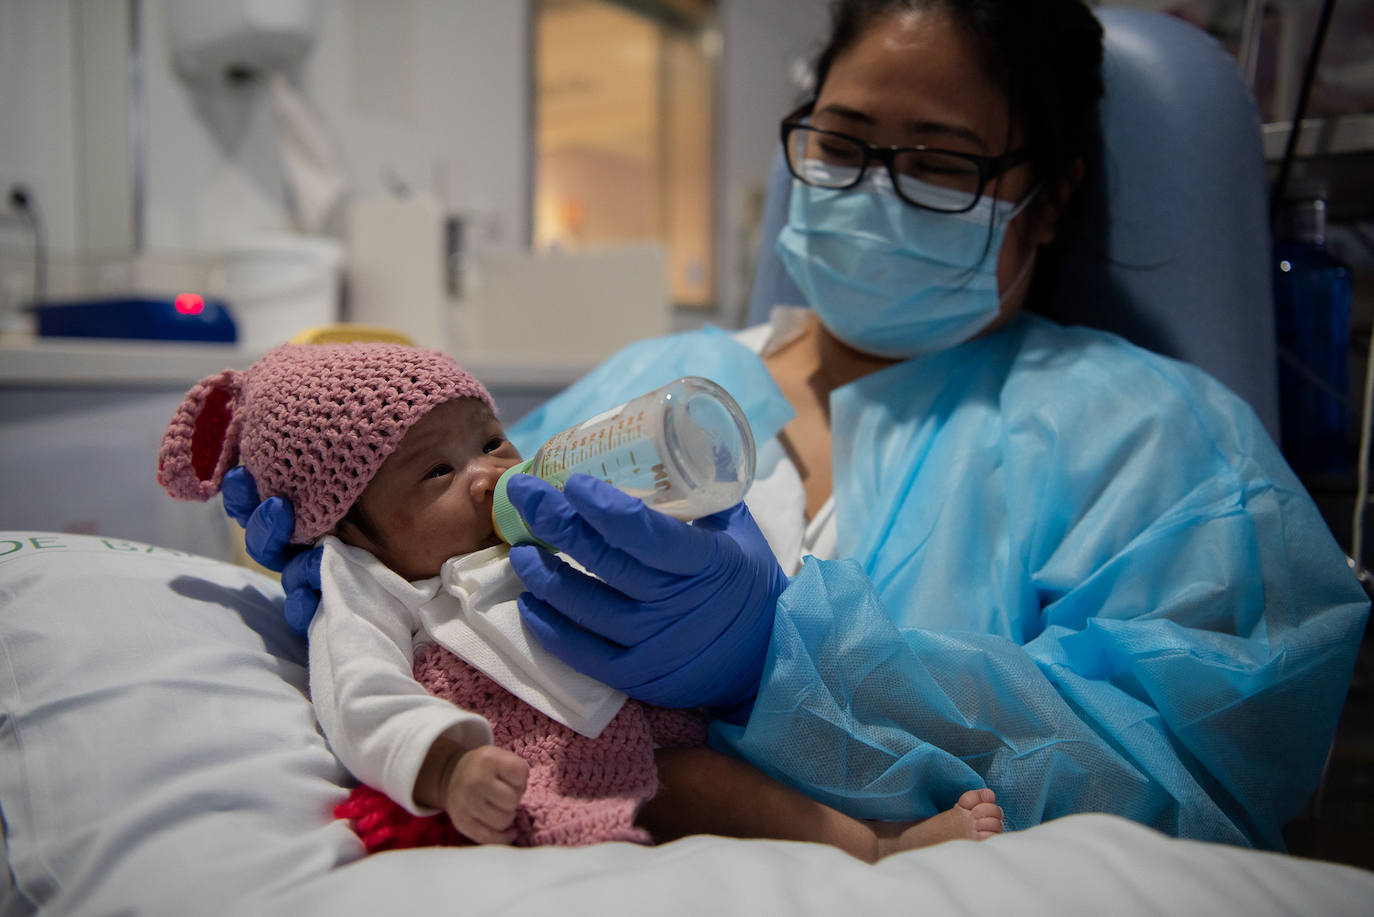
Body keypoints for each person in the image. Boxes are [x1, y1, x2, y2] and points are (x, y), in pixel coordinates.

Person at [231, 0, 1369, 851]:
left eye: (936, 161)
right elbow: (449, 549)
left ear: (1050, 190)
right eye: (842, 143)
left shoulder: (1159, 439)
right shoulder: (657, 380)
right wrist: (355, 542)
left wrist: (781, 662)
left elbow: (1204, 775)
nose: (873, 187)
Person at [164, 342, 1003, 859]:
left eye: (490, 439)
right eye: (436, 470)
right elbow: (360, 690)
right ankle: (876, 850)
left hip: (663, 709)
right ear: (352, 531)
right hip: (554, 759)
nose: (489, 472)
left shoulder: (544, 518)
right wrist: (448, 763)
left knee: (742, 761)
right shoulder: (365, 582)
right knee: (693, 786)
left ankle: (876, 826)